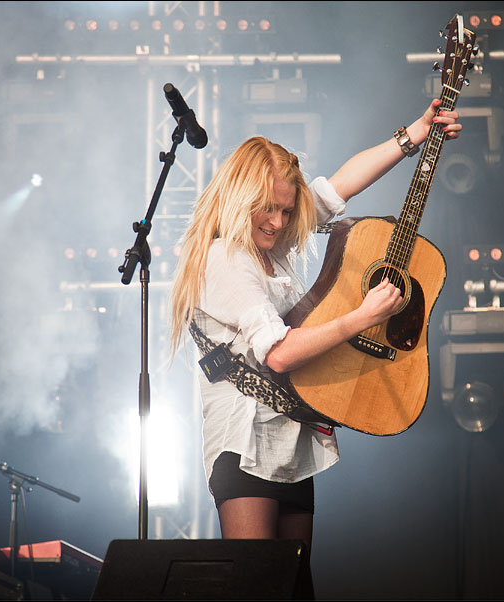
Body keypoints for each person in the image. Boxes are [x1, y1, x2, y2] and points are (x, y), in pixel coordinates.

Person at [169, 100, 461, 551]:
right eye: (269, 209)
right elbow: (279, 352)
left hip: (292, 441)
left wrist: (415, 135)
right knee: (255, 586)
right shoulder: (228, 258)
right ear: (241, 197)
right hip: (246, 445)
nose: (279, 222)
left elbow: (339, 186)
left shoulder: (271, 245)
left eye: (287, 211)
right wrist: (363, 317)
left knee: (292, 586)